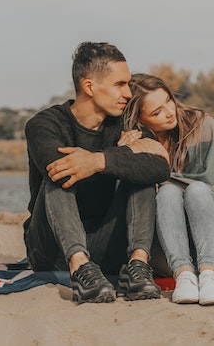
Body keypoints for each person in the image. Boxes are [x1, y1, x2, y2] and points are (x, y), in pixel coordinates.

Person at [22, 42, 171, 304]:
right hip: (51, 248)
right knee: (59, 174)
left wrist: (99, 160)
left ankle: (137, 267)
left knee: (142, 177)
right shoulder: (44, 125)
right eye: (120, 84)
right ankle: (80, 267)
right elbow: (58, 166)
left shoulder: (126, 125)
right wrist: (125, 155)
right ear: (90, 87)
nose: (128, 93)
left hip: (107, 245)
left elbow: (160, 167)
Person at [122, 73, 214, 306]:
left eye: (168, 100)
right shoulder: (136, 141)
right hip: (166, 255)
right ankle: (184, 276)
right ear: (140, 120)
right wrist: (127, 154)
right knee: (167, 194)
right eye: (156, 112)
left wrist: (163, 178)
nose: (169, 112)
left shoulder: (202, 124)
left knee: (197, 190)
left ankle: (210, 276)